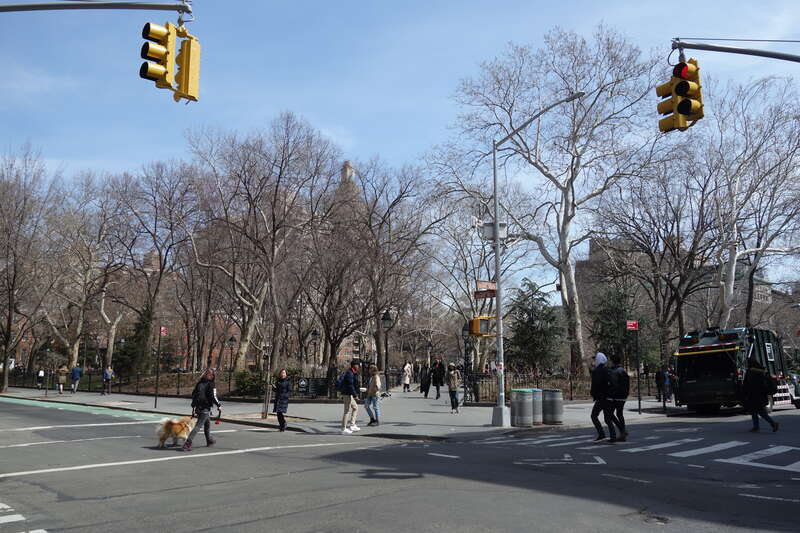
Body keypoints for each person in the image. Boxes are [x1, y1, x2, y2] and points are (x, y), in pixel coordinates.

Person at [184, 368, 222, 451]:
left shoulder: (199, 383)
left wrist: (194, 407)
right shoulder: (211, 384)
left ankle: (209, 440)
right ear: (212, 375)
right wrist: (219, 405)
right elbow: (213, 396)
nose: (212, 376)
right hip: (205, 408)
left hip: (198, 407)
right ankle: (188, 442)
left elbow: (194, 394)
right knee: (198, 426)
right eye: (211, 374)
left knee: (207, 424)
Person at [742, 358, 779, 433]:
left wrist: (744, 392)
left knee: (759, 412)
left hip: (753, 395)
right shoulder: (761, 371)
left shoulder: (750, 371)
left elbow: (747, 384)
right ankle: (756, 427)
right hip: (761, 395)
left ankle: (773, 424)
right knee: (755, 411)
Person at [590, 352, 616, 442]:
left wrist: (593, 394)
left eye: (595, 359)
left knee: (594, 416)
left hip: (600, 397)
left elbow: (595, 385)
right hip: (608, 397)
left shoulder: (596, 372)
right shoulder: (608, 370)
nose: (594, 361)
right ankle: (613, 436)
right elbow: (612, 383)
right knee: (607, 418)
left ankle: (601, 434)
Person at [607, 353, 630, 441]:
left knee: (610, 414)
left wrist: (611, 394)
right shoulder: (622, 370)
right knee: (619, 414)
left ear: (613, 362)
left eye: (610, 361)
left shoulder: (614, 371)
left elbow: (613, 384)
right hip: (623, 396)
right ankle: (622, 432)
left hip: (616, 396)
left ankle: (622, 430)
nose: (609, 363)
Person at [339, 360, 361, 435]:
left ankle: (352, 425)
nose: (359, 367)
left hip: (349, 394)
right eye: (358, 365)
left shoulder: (352, 373)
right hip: (347, 394)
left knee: (355, 407)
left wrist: (357, 391)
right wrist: (355, 395)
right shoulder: (349, 373)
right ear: (354, 366)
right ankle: (343, 428)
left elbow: (353, 384)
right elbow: (350, 386)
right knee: (347, 411)